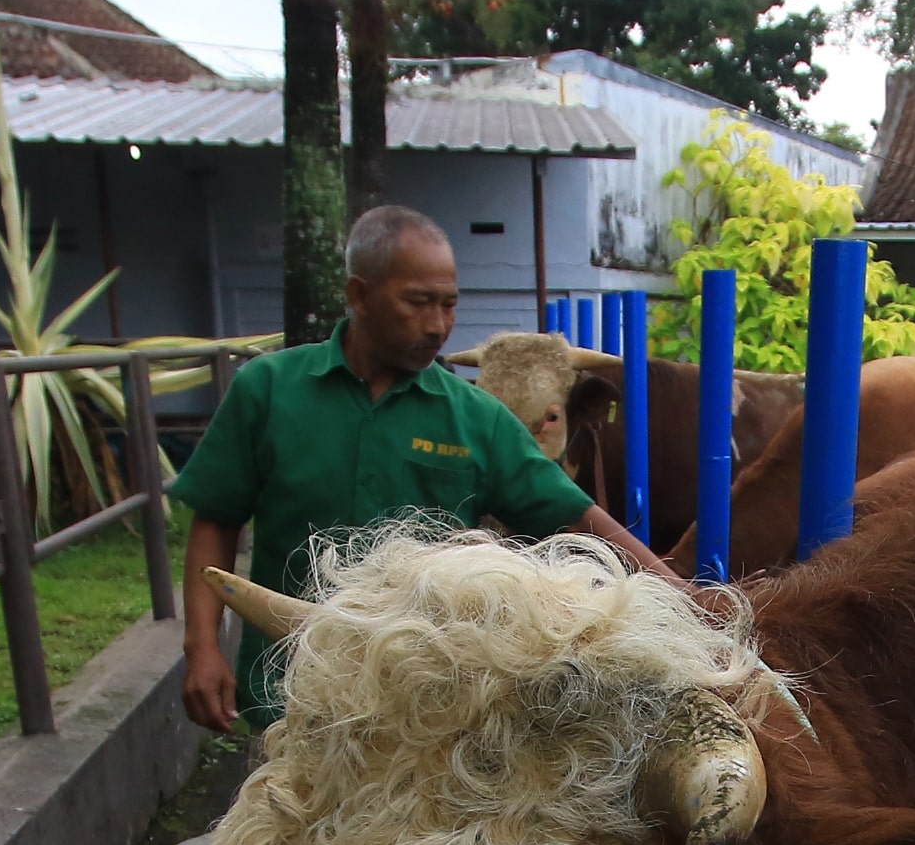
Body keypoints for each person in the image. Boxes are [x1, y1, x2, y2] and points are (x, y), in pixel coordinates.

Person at [170, 205, 675, 732]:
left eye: (449, 305)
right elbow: (216, 520)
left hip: (426, 711)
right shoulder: (268, 390)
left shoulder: (475, 418)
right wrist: (202, 647)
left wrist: (676, 593)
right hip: (291, 695)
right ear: (359, 295)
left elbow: (572, 513)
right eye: (418, 303)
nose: (438, 325)